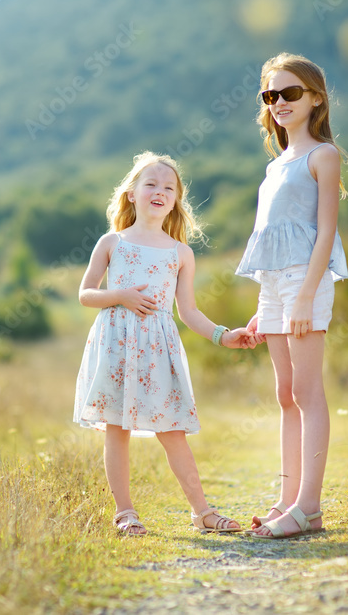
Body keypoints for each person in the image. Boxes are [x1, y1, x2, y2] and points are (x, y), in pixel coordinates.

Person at [74, 151, 254, 536]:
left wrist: (224, 335)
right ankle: (125, 513)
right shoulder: (112, 243)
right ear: (131, 194)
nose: (159, 191)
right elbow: (87, 294)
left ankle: (202, 512)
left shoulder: (180, 253)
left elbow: (188, 312)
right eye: (151, 184)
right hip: (116, 347)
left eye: (168, 188)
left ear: (176, 200)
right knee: (116, 429)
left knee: (172, 431)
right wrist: (120, 294)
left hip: (158, 352)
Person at [236, 52, 348, 540]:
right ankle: (287, 498)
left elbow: (324, 233)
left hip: (306, 281)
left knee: (306, 392)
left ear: (315, 98)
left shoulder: (322, 155)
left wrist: (304, 297)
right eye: (270, 94)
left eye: (290, 93)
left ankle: (309, 507)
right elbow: (270, 238)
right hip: (274, 287)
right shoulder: (275, 165)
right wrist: (266, 305)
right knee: (285, 395)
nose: (279, 102)